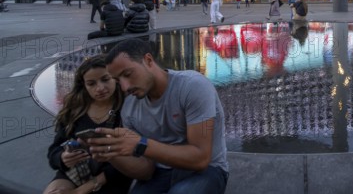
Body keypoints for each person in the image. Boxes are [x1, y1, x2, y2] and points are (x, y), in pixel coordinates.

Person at [88, 39, 229, 193]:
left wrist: (141, 144)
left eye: (128, 74)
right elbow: (146, 172)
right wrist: (113, 154)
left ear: (148, 60)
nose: (124, 87)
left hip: (207, 171)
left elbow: (200, 158)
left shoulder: (192, 86)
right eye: (117, 80)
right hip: (160, 173)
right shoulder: (129, 107)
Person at [43, 55, 131, 194]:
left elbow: (132, 163)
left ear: (115, 78)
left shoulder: (128, 108)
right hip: (76, 173)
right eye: (91, 83)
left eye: (105, 79)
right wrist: (63, 158)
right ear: (84, 85)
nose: (100, 88)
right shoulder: (75, 110)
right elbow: (54, 151)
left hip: (113, 177)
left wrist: (80, 191)